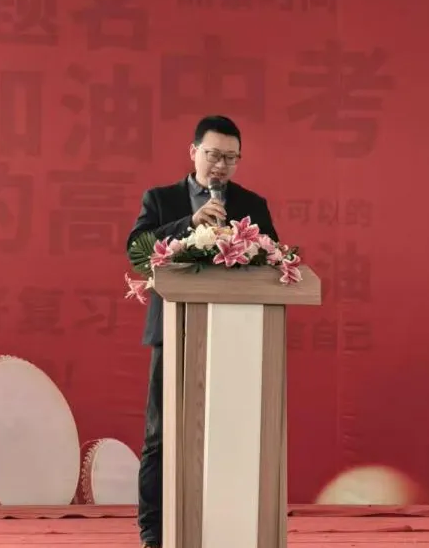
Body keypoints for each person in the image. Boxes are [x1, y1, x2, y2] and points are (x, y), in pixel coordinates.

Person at [126, 115, 279, 548]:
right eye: (214, 155)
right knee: (160, 435)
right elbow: (137, 252)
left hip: (235, 335)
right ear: (194, 152)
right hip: (172, 333)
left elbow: (274, 257)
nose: (221, 166)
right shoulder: (161, 199)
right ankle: (153, 532)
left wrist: (250, 248)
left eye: (231, 158)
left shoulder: (252, 204)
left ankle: (227, 525)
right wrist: (190, 224)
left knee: (230, 432)